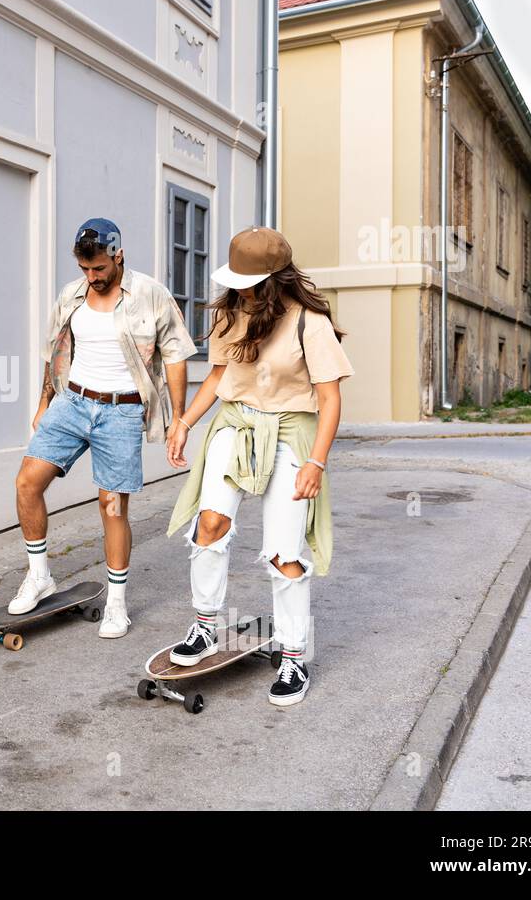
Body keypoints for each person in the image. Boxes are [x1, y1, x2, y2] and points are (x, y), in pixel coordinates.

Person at [164, 225, 353, 706]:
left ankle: (294, 657)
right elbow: (220, 376)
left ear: (273, 279)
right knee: (210, 523)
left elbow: (330, 400)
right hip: (235, 425)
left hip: (291, 431)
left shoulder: (310, 322)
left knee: (283, 551)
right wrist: (185, 421)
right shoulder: (231, 312)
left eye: (248, 281)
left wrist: (317, 461)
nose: (239, 288)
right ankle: (206, 625)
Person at [14, 218, 196, 638]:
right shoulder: (71, 295)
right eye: (85, 270)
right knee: (27, 482)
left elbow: (176, 356)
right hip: (72, 402)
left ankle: (116, 603)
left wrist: (178, 420)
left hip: (122, 411)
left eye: (98, 268)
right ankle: (40, 575)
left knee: (111, 505)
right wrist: (45, 402)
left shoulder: (150, 294)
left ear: (118, 255)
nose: (91, 277)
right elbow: (55, 349)